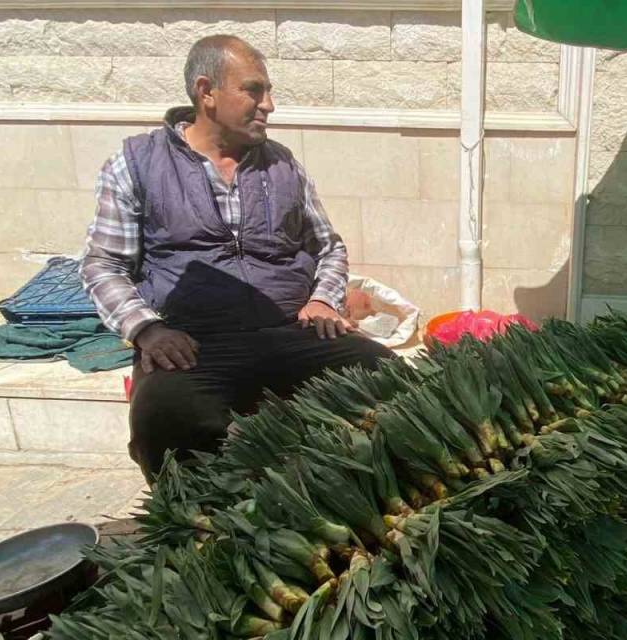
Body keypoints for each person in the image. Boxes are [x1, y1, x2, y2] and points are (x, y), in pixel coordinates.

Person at [81, 35, 394, 480]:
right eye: (254, 90)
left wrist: (323, 299)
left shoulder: (282, 163)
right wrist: (147, 330)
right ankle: (202, 534)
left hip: (290, 330)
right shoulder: (136, 163)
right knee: (167, 422)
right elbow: (103, 264)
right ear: (206, 92)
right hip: (195, 344)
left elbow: (326, 245)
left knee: (390, 382)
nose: (268, 105)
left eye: (267, 92)